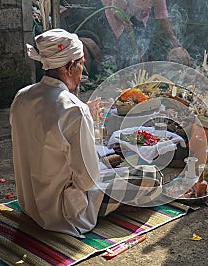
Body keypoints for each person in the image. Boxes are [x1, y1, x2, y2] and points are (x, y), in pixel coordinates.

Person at [10, 29, 159, 238]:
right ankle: (111, 209)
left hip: (31, 204)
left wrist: (86, 123)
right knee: (151, 177)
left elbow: (48, 140)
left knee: (108, 162)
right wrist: (86, 125)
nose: (82, 73)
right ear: (70, 66)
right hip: (65, 213)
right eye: (81, 65)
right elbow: (88, 182)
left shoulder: (21, 97)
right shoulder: (73, 109)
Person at [101, 0, 189, 68]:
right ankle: (125, 78)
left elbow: (162, 16)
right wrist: (125, 22)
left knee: (146, 45)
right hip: (119, 17)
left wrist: (172, 38)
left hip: (140, 17)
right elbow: (116, 12)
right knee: (125, 47)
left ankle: (145, 75)